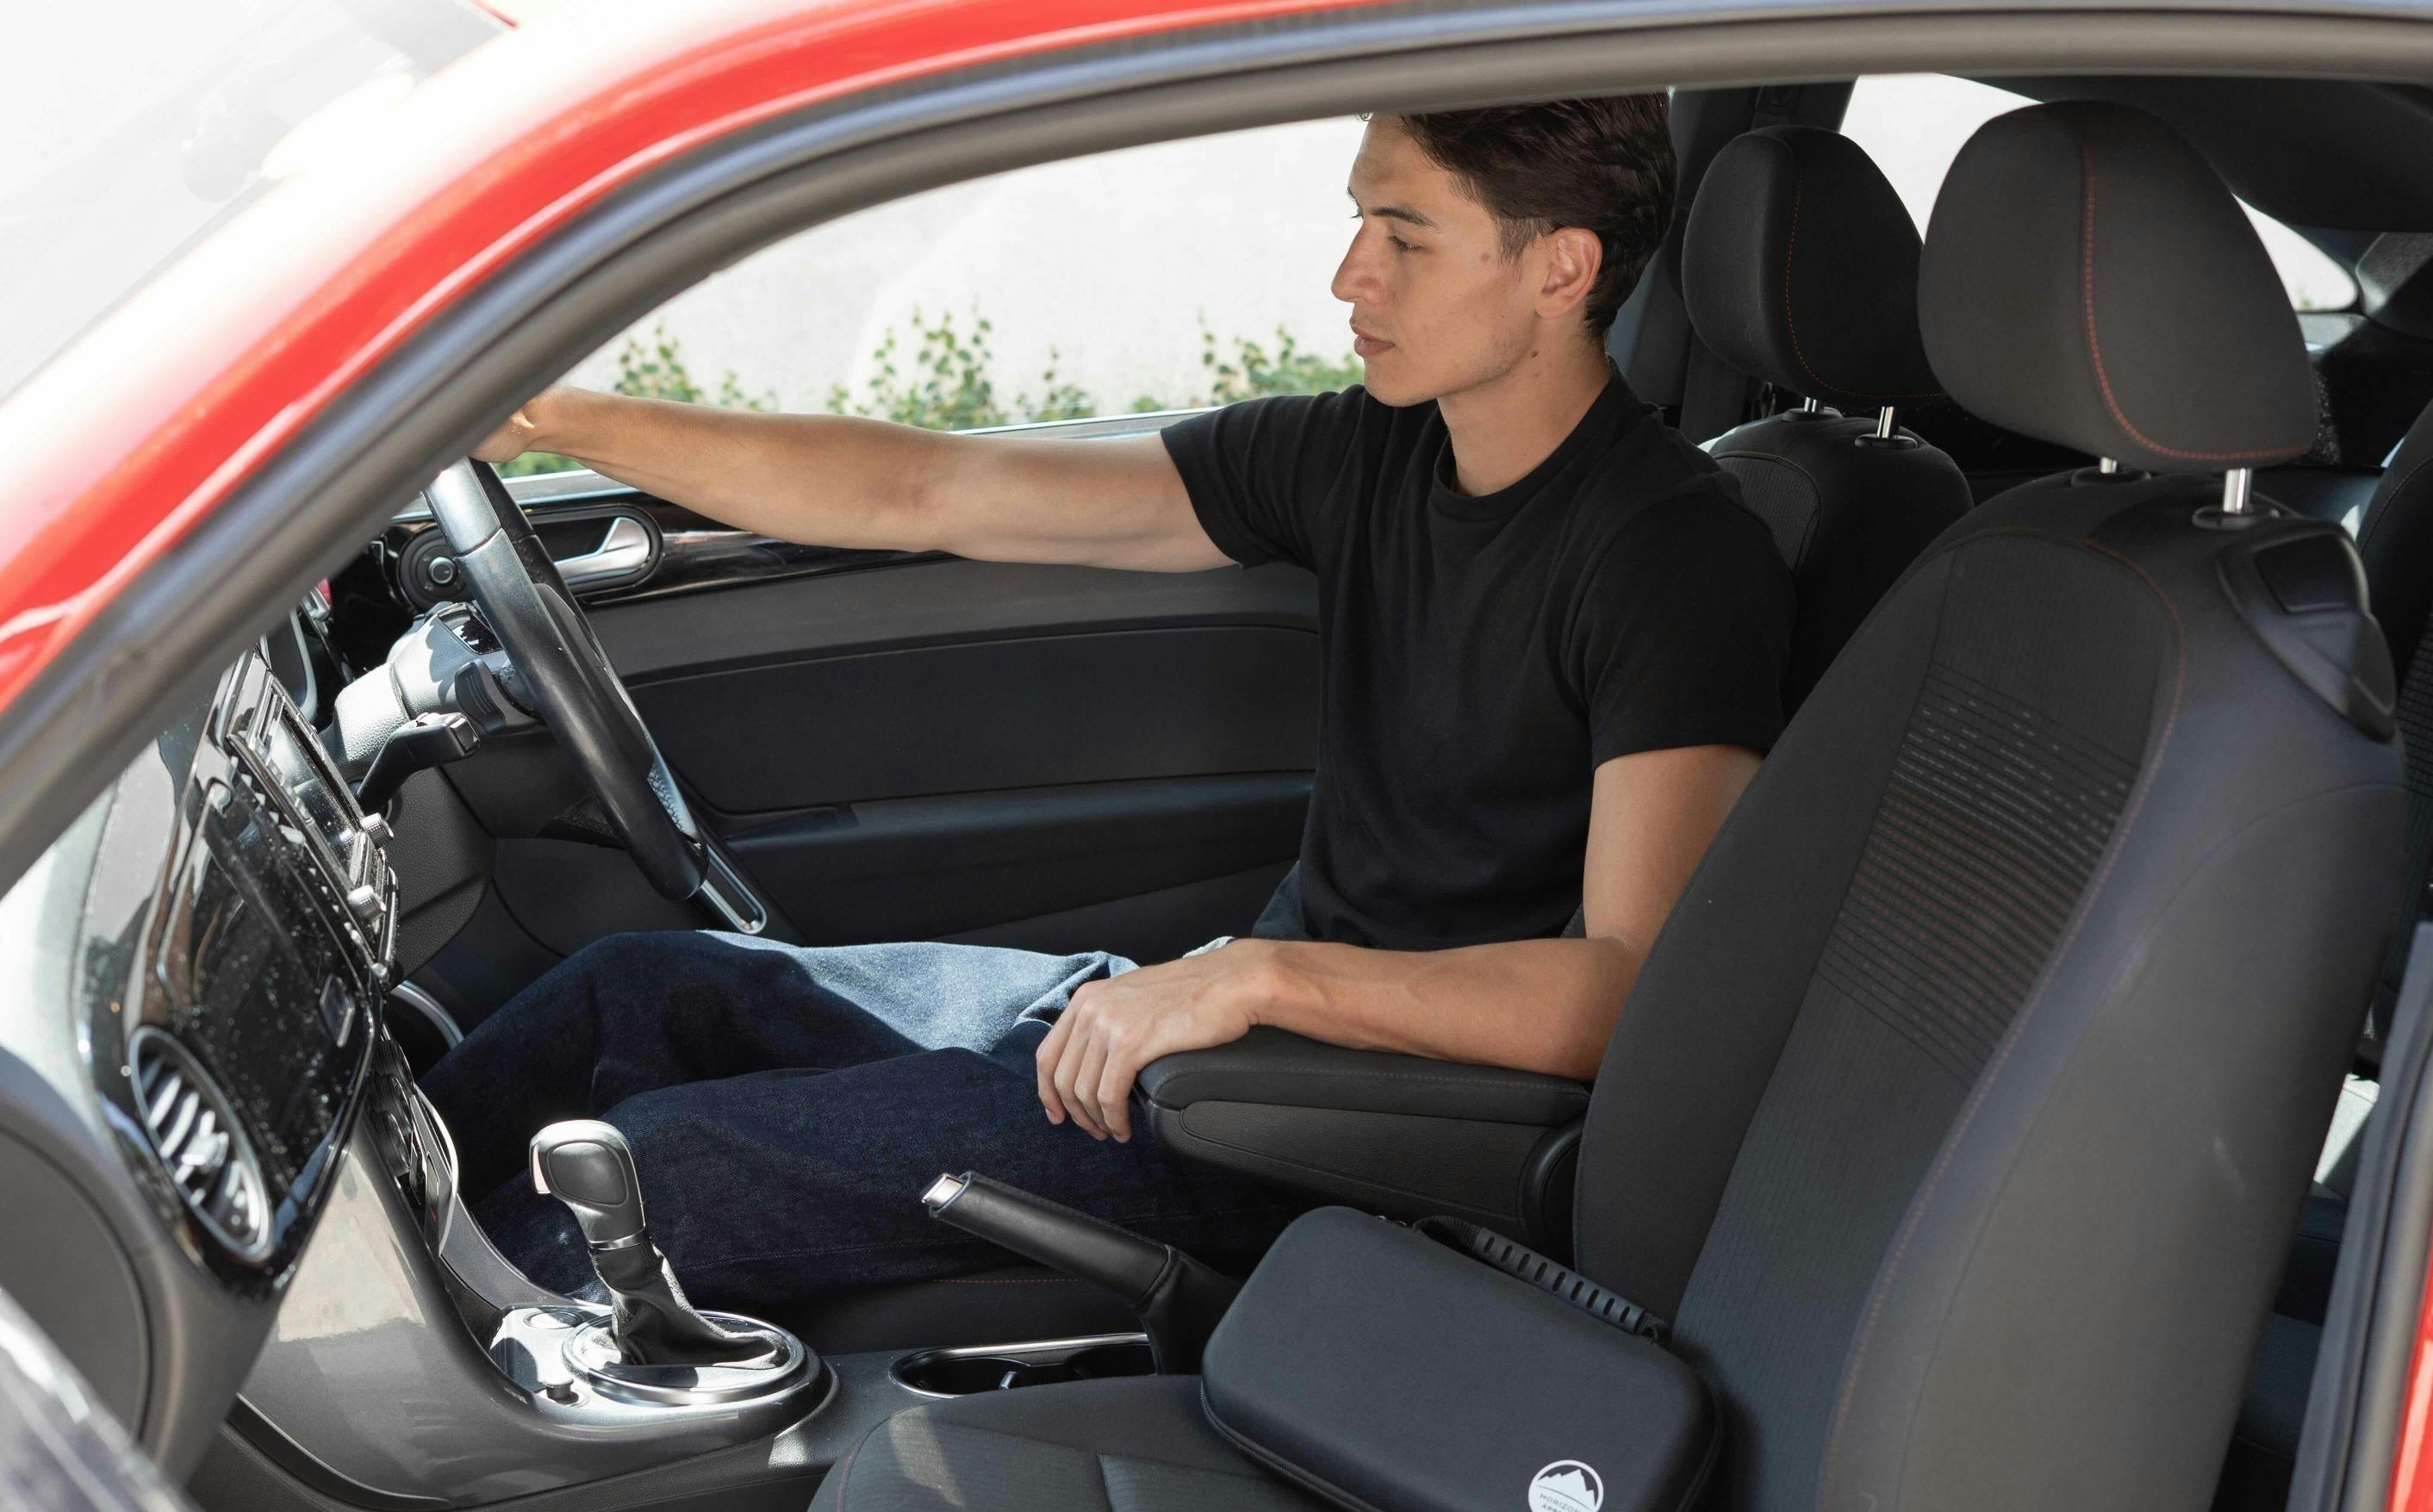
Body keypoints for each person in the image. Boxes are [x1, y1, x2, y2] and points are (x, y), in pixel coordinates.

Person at [422, 95, 1794, 1309]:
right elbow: (932, 490)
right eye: (1357, 221)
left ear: (1560, 270)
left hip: (1363, 1122)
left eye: (1406, 237)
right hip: (1240, 1030)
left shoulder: (1670, 554)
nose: (1349, 275)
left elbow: (1625, 994)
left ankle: (393, 1408)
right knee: (632, 994)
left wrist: (1261, 976)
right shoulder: (1372, 452)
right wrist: (555, 420)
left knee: (663, 1172)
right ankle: (353, 1257)